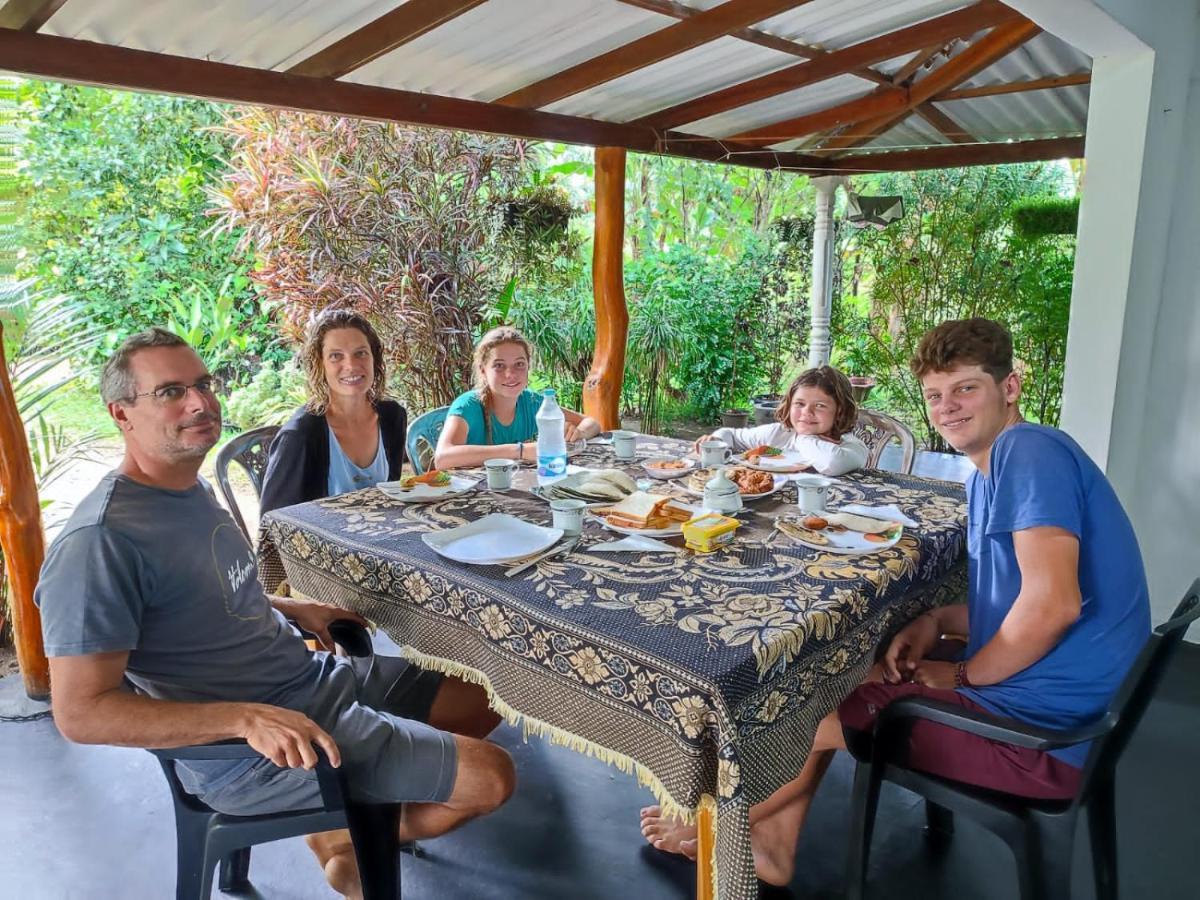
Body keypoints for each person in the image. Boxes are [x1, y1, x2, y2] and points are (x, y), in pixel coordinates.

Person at [641, 317, 1151, 885]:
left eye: (966, 388)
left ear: (1009, 389)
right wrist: (935, 620)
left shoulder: (1027, 453)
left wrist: (962, 673)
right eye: (936, 395)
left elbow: (1052, 607)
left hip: (1040, 737)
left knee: (806, 707)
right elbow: (1021, 598)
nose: (948, 407)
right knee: (840, 673)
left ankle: (725, 829)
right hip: (1060, 697)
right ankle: (773, 848)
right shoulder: (991, 470)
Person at [36, 328, 515, 899]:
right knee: (492, 777)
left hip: (309, 680)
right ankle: (347, 836)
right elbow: (81, 713)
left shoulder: (183, 488)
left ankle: (343, 827)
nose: (199, 403)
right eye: (169, 392)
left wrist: (291, 605)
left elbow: (203, 597)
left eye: (202, 385)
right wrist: (242, 719)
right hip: (257, 749)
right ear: (122, 414)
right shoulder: (101, 543)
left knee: (486, 693)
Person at [260, 309, 405, 517]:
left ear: (375, 357)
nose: (351, 365)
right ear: (320, 364)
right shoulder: (301, 435)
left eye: (361, 353)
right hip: (322, 548)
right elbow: (273, 524)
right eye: (336, 356)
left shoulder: (392, 417)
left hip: (382, 542)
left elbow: (392, 499)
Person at [434, 325, 601, 470]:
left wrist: (578, 433)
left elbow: (592, 423)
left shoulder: (533, 403)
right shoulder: (468, 406)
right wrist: (520, 451)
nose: (510, 374)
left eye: (519, 364)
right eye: (499, 366)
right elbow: (443, 458)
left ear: (528, 366)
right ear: (483, 371)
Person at [693, 366, 868, 476]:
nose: (806, 412)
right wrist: (716, 440)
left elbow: (831, 463)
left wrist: (802, 437)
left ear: (840, 410)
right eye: (799, 403)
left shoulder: (852, 447)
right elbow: (731, 434)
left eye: (820, 406)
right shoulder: (779, 434)